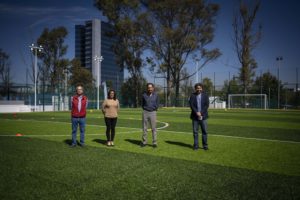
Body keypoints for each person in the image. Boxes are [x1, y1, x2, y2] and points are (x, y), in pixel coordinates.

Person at [189, 83, 209, 150]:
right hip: (195, 116)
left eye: (200, 88)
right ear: (195, 89)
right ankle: (196, 145)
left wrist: (201, 113)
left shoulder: (205, 95)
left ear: (202, 88)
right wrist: (196, 112)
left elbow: (207, 105)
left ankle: (205, 145)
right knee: (195, 132)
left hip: (203, 116)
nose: (199, 89)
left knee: (204, 132)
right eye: (197, 88)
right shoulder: (192, 95)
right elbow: (191, 105)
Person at [141, 83, 159, 148]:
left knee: (153, 128)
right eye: (148, 87)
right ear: (147, 88)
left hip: (153, 112)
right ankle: (144, 142)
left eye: (151, 87)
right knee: (144, 128)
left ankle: (154, 142)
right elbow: (142, 104)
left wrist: (155, 108)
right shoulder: (144, 95)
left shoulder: (156, 95)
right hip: (145, 112)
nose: (150, 89)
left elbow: (157, 103)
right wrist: (145, 109)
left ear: (153, 88)